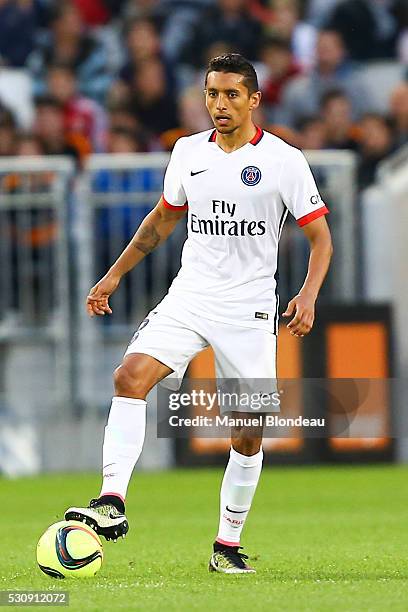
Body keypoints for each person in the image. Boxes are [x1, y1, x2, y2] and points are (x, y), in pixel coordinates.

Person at [64, 53, 332, 574]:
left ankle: (226, 547)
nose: (220, 104)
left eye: (232, 94)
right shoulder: (187, 152)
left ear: (254, 99)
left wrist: (308, 293)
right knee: (130, 376)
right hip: (190, 296)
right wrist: (114, 274)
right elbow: (162, 221)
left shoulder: (284, 161)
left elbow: (320, 239)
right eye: (212, 94)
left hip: (249, 309)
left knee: (248, 433)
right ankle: (111, 501)